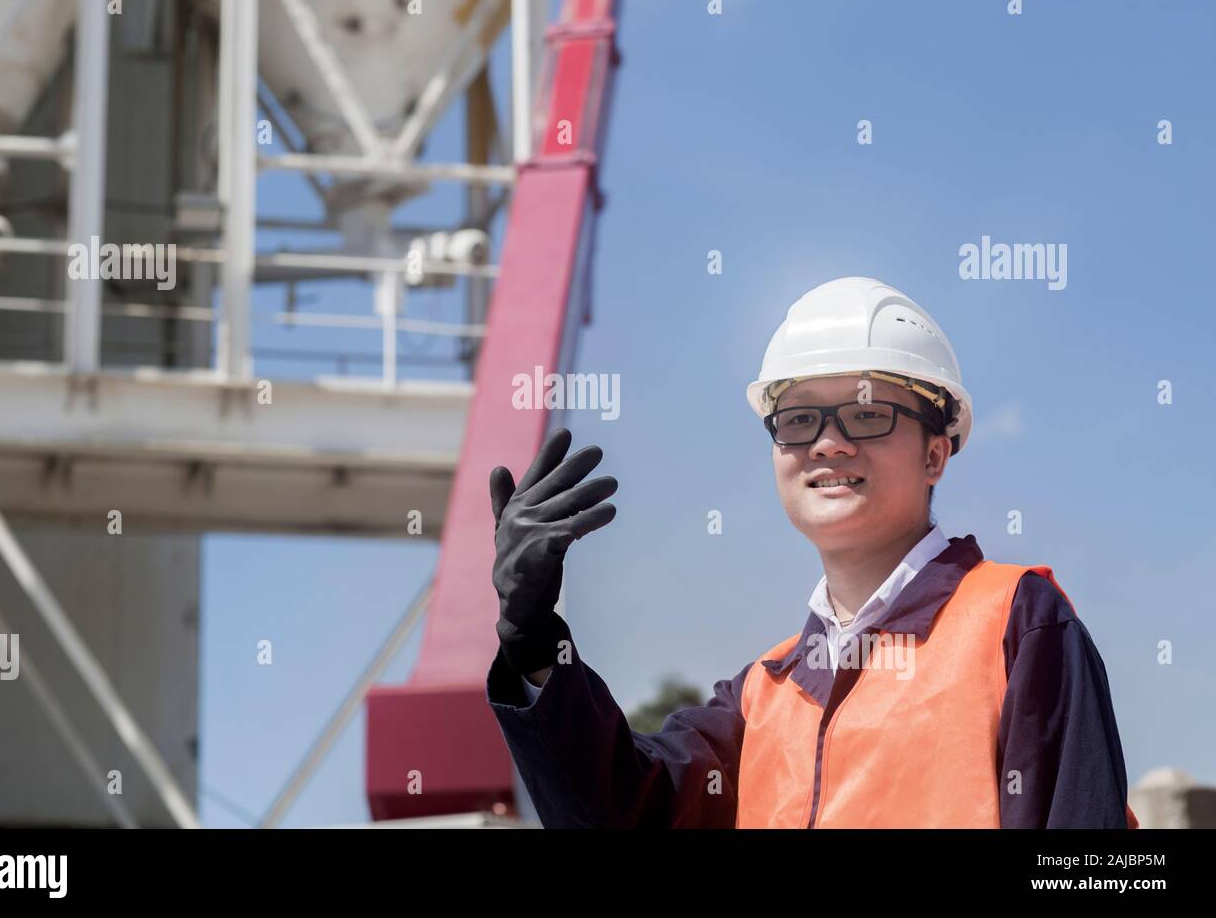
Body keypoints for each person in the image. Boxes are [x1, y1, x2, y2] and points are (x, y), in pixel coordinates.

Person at [485, 276, 1138, 829]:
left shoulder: (1017, 624)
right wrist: (535, 645)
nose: (827, 443)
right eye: (798, 419)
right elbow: (623, 813)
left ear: (935, 451)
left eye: (866, 413)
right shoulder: (762, 695)